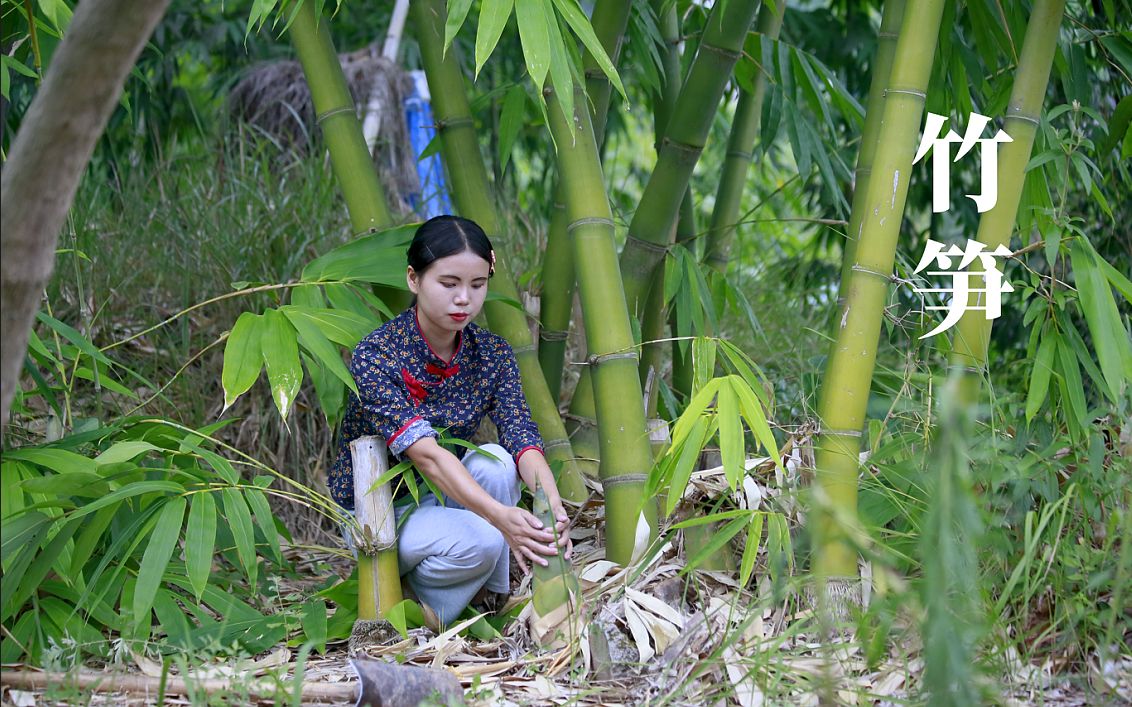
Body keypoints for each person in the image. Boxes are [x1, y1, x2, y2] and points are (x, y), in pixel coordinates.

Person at [329, 215, 573, 626]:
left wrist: (552, 511)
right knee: (483, 539)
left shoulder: (491, 353)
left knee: (497, 459)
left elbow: (522, 438)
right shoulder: (378, 354)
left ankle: (490, 597)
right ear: (414, 279)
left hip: (446, 495)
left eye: (477, 286)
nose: (464, 299)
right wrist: (500, 519)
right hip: (381, 511)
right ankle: (414, 614)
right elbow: (426, 456)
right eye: (449, 284)